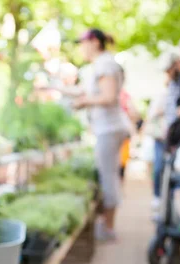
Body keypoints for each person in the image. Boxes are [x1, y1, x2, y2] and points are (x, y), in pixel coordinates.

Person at [73, 28, 131, 241]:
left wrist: (84, 102)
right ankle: (107, 225)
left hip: (110, 128)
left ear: (95, 42)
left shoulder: (105, 64)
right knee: (108, 174)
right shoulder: (100, 65)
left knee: (108, 176)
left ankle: (108, 227)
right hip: (108, 128)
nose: (80, 48)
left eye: (82, 43)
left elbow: (108, 97)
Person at [143, 51, 180, 208]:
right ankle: (158, 197)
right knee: (160, 167)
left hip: (179, 131)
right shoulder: (170, 84)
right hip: (164, 133)